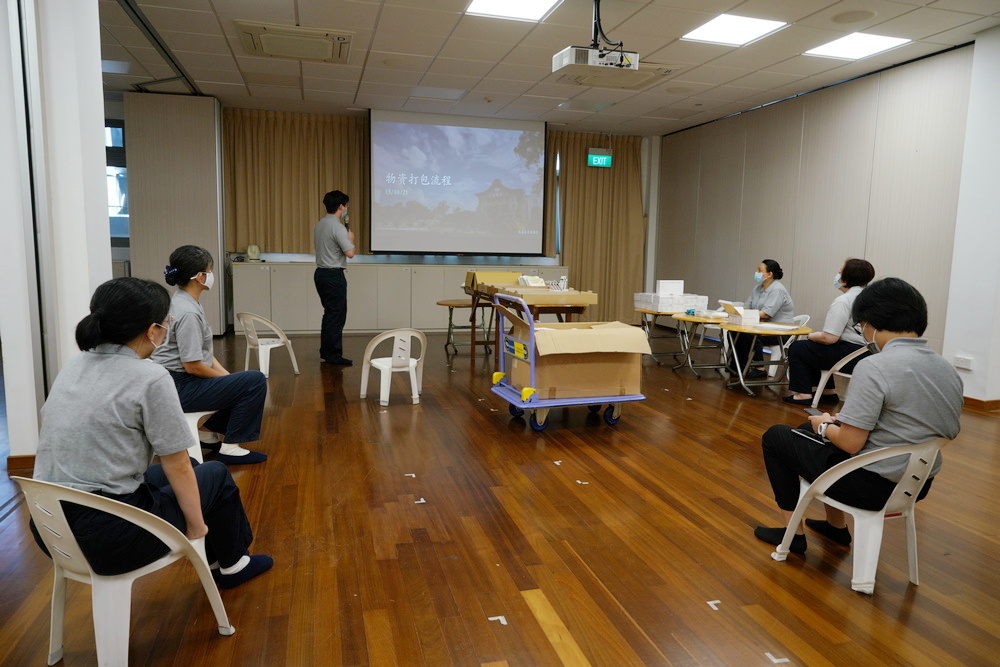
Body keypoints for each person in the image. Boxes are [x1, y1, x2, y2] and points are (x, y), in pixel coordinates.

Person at [30, 277, 272, 587]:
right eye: (165, 323)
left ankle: (220, 559)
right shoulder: (150, 376)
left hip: (50, 529)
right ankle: (234, 564)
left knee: (197, 469)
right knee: (214, 474)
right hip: (106, 540)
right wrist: (196, 528)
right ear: (151, 330)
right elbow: (177, 464)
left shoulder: (75, 365)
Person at [754, 277, 962, 553]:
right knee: (805, 433)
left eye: (861, 325)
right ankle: (836, 529)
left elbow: (851, 443)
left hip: (870, 487)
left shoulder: (874, 366)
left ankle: (793, 536)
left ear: (871, 323)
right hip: (918, 484)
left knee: (777, 437)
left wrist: (825, 426)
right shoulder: (947, 369)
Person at [152, 245, 268, 465]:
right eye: (209, 271)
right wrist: (230, 381)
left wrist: (229, 378)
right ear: (198, 277)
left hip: (174, 381)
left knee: (241, 382)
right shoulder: (187, 313)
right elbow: (193, 366)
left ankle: (206, 432)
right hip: (180, 385)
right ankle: (231, 448)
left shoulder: (182, 301)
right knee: (255, 380)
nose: (211, 276)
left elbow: (204, 352)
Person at [783, 258, 875, 406]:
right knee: (813, 348)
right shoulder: (872, 298)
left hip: (851, 356)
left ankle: (802, 394)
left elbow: (829, 338)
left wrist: (811, 335)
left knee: (799, 348)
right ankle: (828, 392)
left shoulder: (843, 301)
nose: (837, 276)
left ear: (847, 278)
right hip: (868, 355)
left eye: (840, 272)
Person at [729, 259, 794, 379]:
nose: (756, 272)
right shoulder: (757, 289)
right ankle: (737, 365)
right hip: (762, 327)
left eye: (759, 270)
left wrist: (745, 312)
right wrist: (737, 311)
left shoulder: (777, 290)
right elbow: (747, 306)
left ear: (770, 274)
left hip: (781, 331)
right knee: (734, 330)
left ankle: (760, 368)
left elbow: (766, 314)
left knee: (750, 335)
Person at [314, 189, 356, 365]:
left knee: (330, 314)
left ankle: (327, 351)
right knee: (336, 315)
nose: (346, 208)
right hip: (333, 275)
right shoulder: (337, 227)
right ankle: (333, 355)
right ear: (341, 206)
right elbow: (350, 252)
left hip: (321, 274)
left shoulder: (320, 224)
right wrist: (351, 238)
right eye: (345, 205)